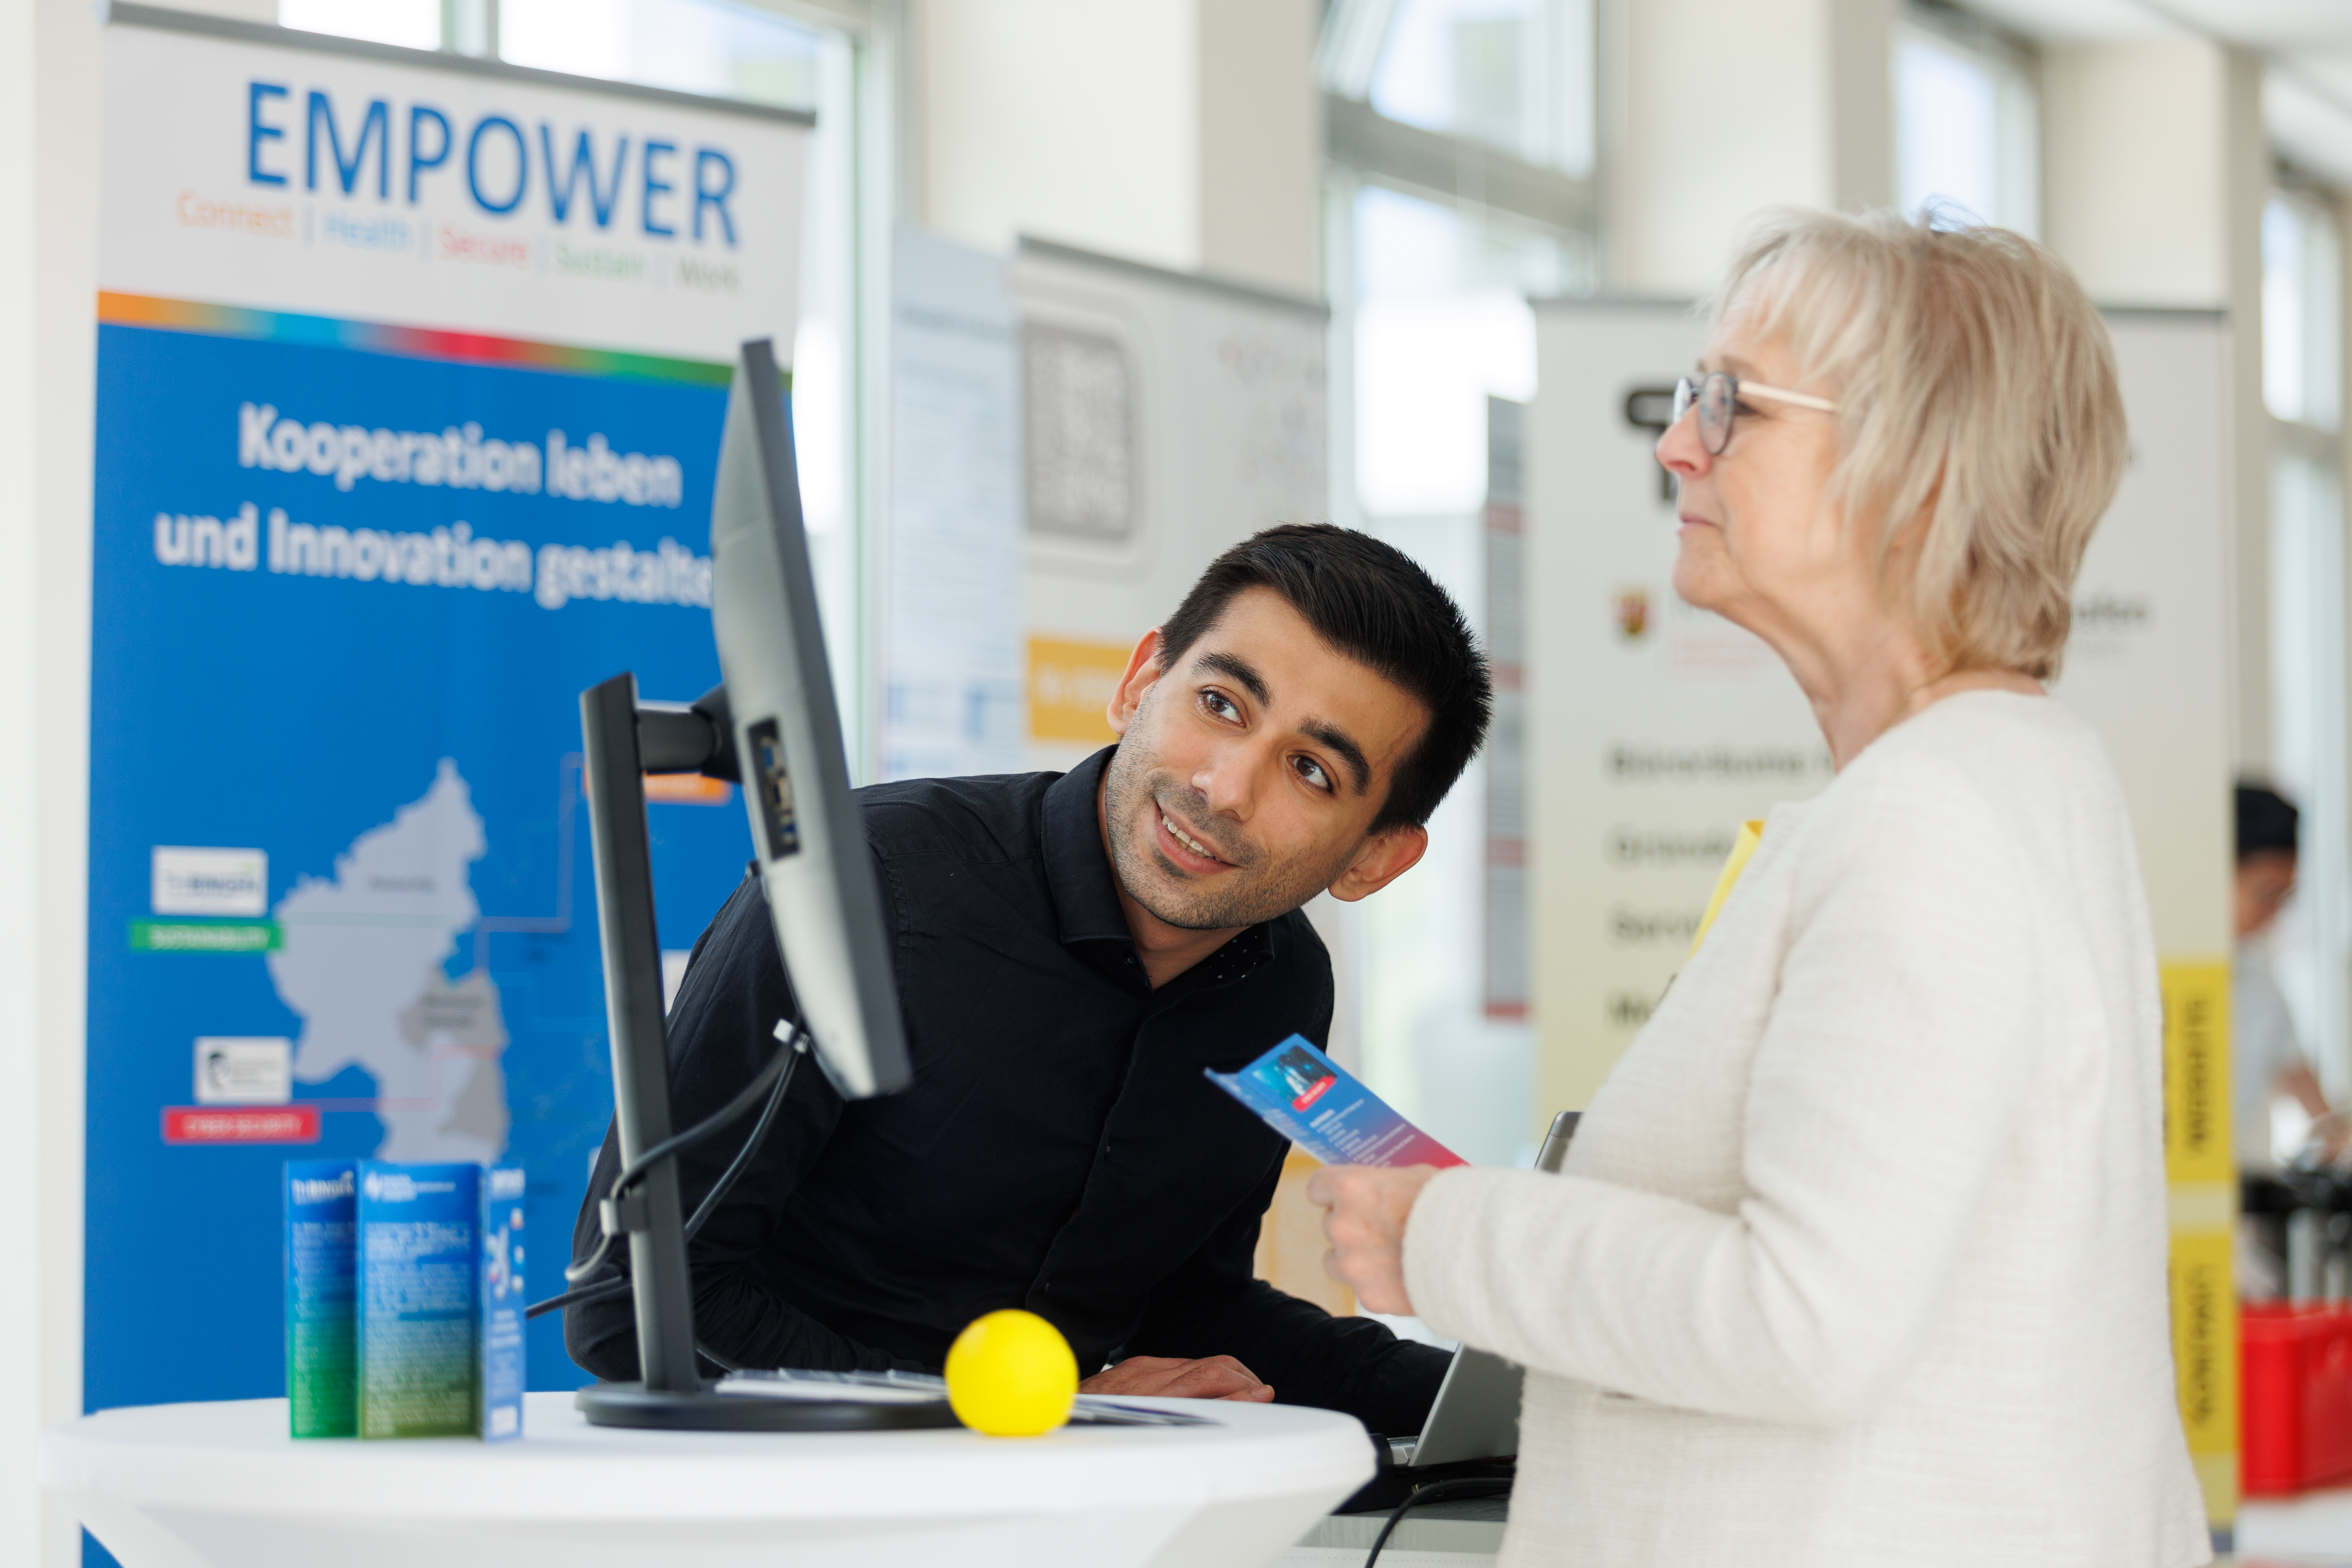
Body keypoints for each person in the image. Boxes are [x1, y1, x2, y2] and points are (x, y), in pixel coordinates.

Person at [1311, 210, 2208, 1565]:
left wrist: (1447, 1235)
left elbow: (1809, 1319)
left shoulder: (1932, 816)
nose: (1677, 443)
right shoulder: (2011, 776)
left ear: (1915, 467)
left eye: (1733, 404)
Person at [567, 522, 1484, 1436]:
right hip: (776, 1505)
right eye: (1221, 704)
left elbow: (1189, 1313)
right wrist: (1038, 1418)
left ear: (1374, 859)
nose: (1226, 787)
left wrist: (1518, 1398)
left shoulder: (1282, 984)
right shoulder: (867, 880)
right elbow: (634, 1307)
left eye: (1312, 771)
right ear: (1140, 683)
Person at [2233, 782, 2344, 1173]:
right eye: (2267, 894)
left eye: (2286, 897)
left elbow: (2298, 1077)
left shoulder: (2259, 983)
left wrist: (2337, 1135)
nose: (2274, 914)